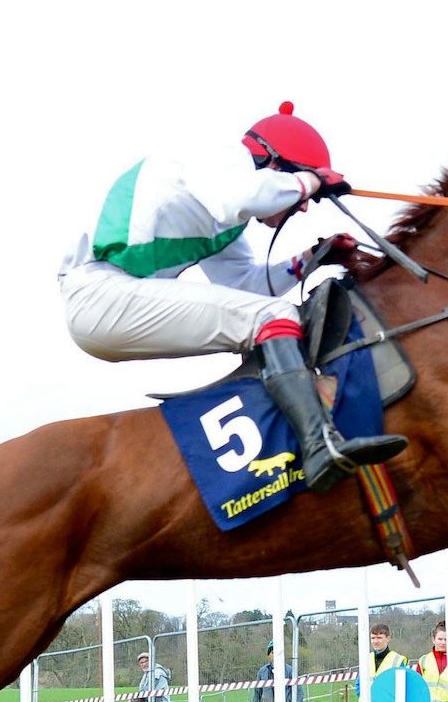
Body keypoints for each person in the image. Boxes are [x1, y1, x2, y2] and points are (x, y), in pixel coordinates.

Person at [55, 103, 407, 493]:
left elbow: (247, 290)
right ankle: (318, 446)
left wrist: (310, 259)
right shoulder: (217, 163)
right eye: (300, 190)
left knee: (270, 317)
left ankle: (302, 437)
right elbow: (238, 198)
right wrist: (311, 180)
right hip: (100, 295)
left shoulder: (225, 213)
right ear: (272, 166)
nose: (304, 205)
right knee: (273, 316)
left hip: (114, 302)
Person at [364, 622, 412, 702]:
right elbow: (359, 685)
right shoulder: (366, 659)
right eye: (373, 638)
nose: (376, 641)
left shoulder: (398, 660)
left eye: (379, 638)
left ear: (388, 638)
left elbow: (403, 686)